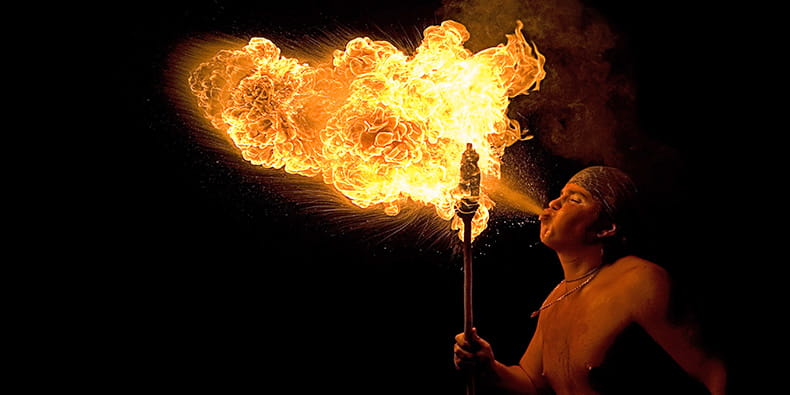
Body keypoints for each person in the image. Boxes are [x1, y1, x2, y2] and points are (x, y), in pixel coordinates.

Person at [453, 166, 727, 394]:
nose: (554, 203)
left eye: (575, 199)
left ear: (606, 228)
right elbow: (532, 382)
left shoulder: (638, 281)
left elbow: (713, 369)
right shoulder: (555, 300)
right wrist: (489, 366)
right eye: (561, 195)